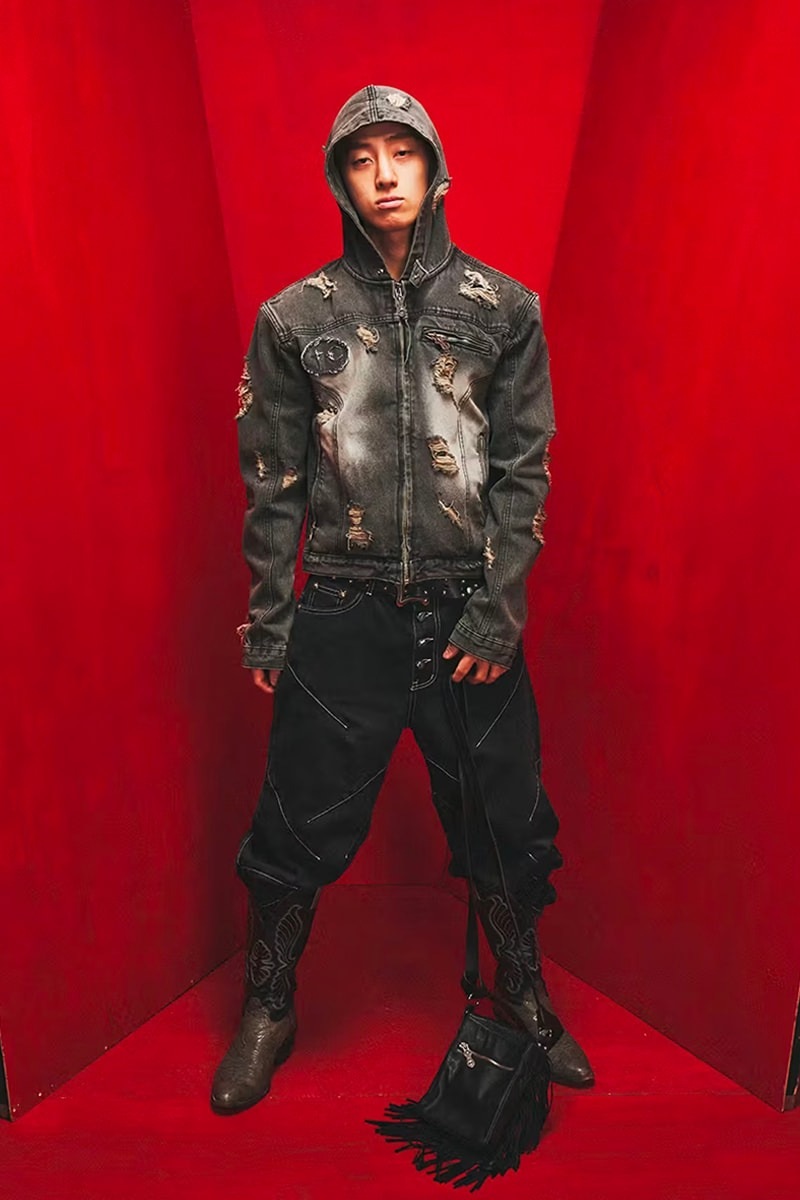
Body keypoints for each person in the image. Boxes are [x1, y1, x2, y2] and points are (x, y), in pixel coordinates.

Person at [211, 84, 594, 1115]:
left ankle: (522, 993)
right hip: (343, 609)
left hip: (468, 613)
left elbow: (522, 471)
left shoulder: (502, 309)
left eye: (402, 152)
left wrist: (499, 611)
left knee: (504, 818)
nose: (383, 175)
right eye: (360, 157)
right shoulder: (293, 318)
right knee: (295, 820)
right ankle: (268, 1006)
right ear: (338, 179)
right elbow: (272, 481)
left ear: (434, 168)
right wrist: (270, 621)